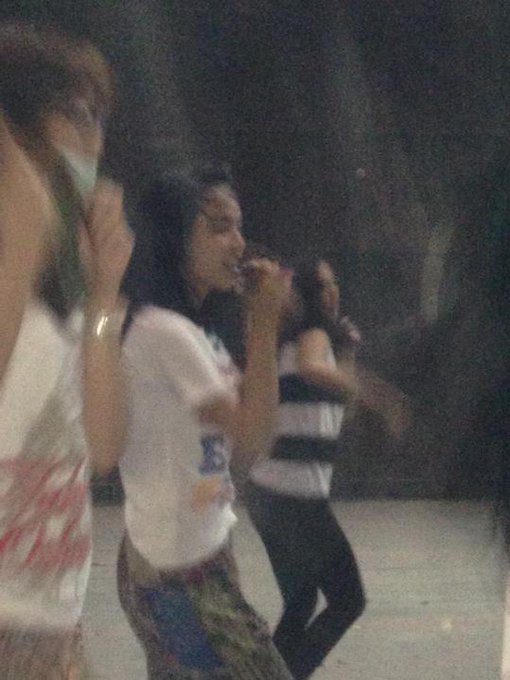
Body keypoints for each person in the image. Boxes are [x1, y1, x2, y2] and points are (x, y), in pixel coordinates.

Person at [118, 165, 294, 679]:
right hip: (180, 575)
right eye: (219, 227)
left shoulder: (197, 333)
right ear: (174, 238)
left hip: (197, 556)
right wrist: (264, 324)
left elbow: (243, 450)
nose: (237, 242)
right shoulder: (164, 331)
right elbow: (254, 434)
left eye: (238, 226)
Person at [0, 22, 132, 678]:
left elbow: (103, 448)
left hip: (56, 624)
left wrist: (104, 301)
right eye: (77, 115)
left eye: (100, 119)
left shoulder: (71, 295)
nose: (94, 141)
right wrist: (25, 229)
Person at [246, 258, 366, 680]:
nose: (331, 293)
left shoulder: (297, 343)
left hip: (269, 495)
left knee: (300, 601)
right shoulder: (313, 337)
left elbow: (340, 401)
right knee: (349, 600)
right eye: (321, 287)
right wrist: (374, 393)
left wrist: (348, 352)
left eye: (334, 284)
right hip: (294, 497)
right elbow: (313, 368)